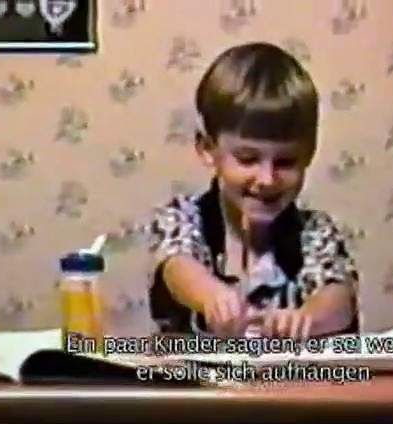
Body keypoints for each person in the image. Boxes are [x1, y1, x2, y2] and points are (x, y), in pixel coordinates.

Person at [147, 42, 359, 339]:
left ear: (309, 154)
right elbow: (178, 268)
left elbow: (339, 298)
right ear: (207, 149)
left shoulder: (314, 232)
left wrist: (307, 319)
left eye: (285, 162)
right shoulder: (184, 216)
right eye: (247, 159)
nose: (267, 179)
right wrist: (211, 296)